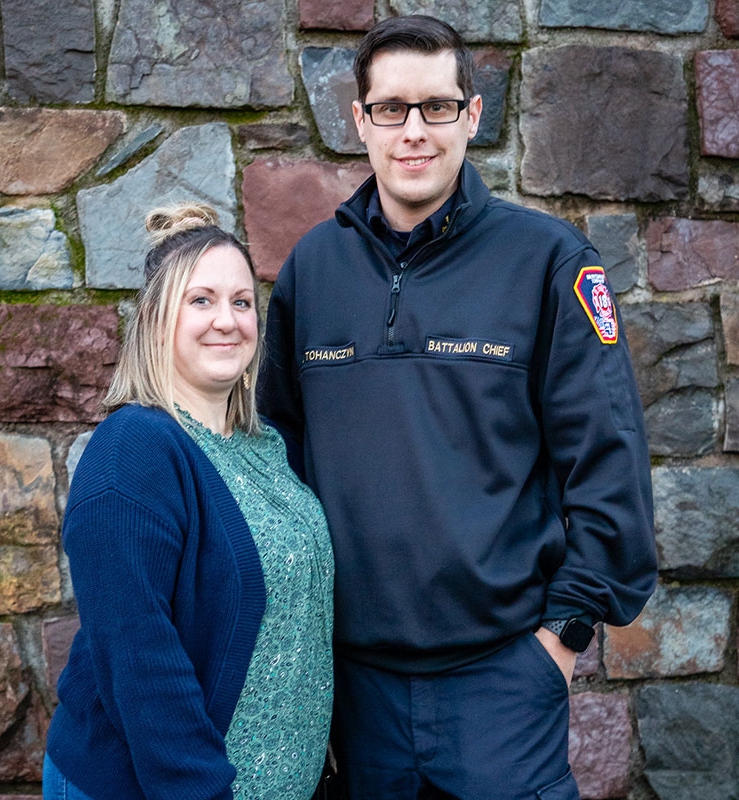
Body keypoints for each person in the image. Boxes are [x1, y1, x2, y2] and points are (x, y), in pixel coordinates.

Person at [259, 14, 657, 800]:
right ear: (360, 121)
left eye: (436, 107)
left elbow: (610, 461)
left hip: (501, 683)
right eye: (392, 109)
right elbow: (280, 456)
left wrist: (564, 636)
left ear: (473, 117)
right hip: (354, 690)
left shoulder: (548, 262)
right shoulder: (314, 270)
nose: (414, 131)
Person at [43, 203, 334, 800]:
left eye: (241, 301)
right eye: (199, 300)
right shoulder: (135, 450)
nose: (226, 320)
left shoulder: (268, 447)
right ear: (155, 321)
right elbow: (140, 660)